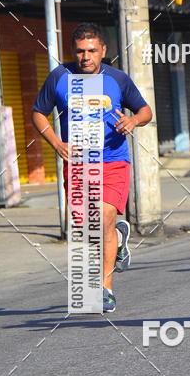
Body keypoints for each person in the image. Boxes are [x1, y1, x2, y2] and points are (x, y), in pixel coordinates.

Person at [32, 23, 153, 311]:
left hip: (113, 160)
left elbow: (145, 111)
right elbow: (39, 113)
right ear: (72, 51)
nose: (85, 57)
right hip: (76, 163)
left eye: (91, 51)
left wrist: (133, 120)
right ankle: (120, 238)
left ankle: (105, 288)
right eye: (79, 51)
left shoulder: (117, 79)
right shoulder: (60, 77)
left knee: (104, 218)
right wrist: (55, 143)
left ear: (103, 51)